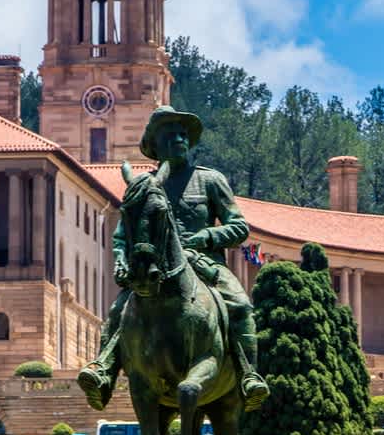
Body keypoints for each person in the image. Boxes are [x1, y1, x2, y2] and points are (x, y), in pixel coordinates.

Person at [76, 106, 268, 411]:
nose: (179, 139)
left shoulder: (210, 180)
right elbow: (123, 234)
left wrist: (208, 236)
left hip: (205, 264)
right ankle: (104, 372)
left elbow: (239, 226)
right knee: (118, 310)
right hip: (154, 269)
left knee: (241, 305)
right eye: (170, 135)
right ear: (156, 144)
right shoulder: (144, 185)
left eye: (183, 134)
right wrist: (121, 259)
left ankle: (249, 376)